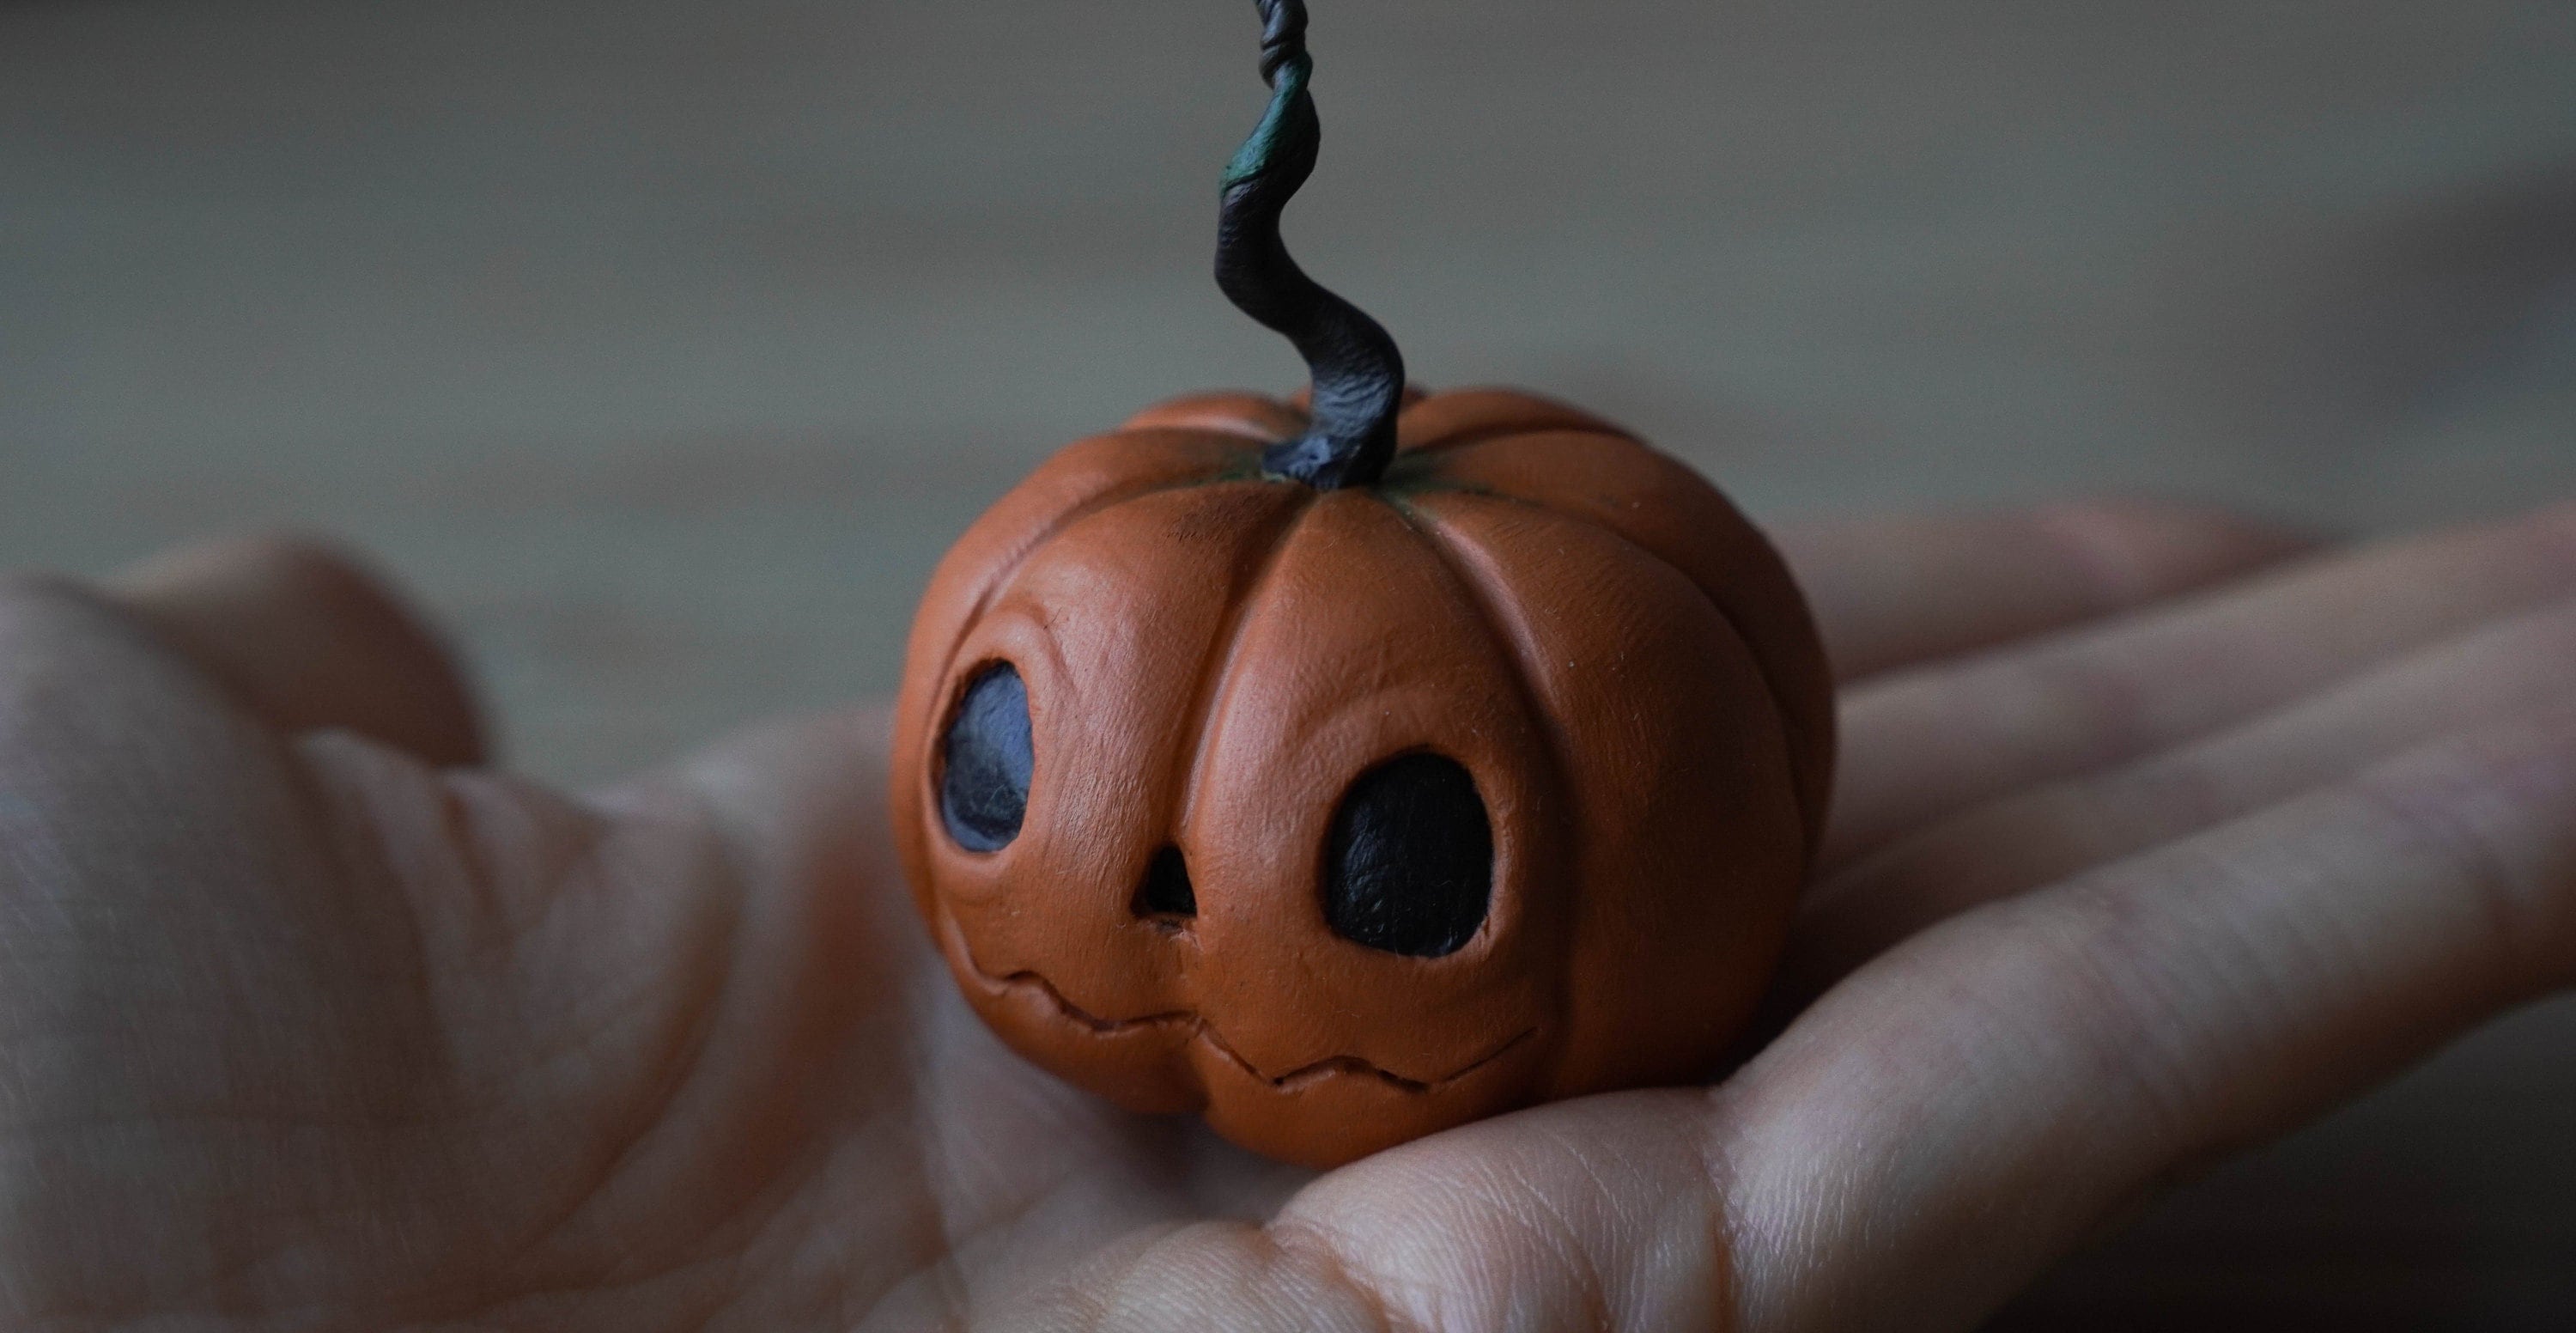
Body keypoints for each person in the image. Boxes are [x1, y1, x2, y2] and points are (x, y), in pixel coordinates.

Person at [4, 501, 2573, 1330]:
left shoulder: (1577, 579)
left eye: (1393, 858)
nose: (1130, 897)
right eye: (1013, 766)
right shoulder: (1144, 543)